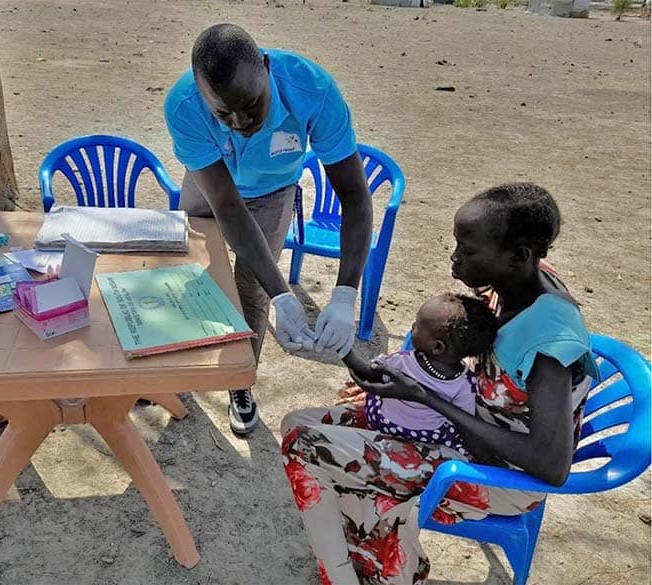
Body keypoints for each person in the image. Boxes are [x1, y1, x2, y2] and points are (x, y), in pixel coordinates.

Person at [280, 183, 598, 584]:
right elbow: (456, 347)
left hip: (500, 473)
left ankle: (342, 576)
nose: (454, 258)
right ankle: (361, 560)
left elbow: (551, 467)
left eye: (467, 251)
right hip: (455, 428)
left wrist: (422, 396)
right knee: (296, 422)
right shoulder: (515, 284)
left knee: (303, 446)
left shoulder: (548, 340)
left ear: (519, 256)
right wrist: (408, 383)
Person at [164, 24, 373, 435]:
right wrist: (285, 292)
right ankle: (177, 366)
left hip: (274, 191)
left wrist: (345, 294)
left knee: (253, 289)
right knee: (189, 275)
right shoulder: (184, 106)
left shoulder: (312, 90)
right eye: (223, 114)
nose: (241, 122)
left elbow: (353, 194)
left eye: (252, 104)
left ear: (266, 68)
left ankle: (240, 382)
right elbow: (226, 204)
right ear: (202, 96)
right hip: (211, 182)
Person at [342, 293, 499, 457]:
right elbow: (464, 419)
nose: (411, 326)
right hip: (428, 437)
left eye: (417, 326)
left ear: (437, 347)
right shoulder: (465, 383)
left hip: (381, 422)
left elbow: (368, 372)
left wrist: (344, 351)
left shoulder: (402, 361)